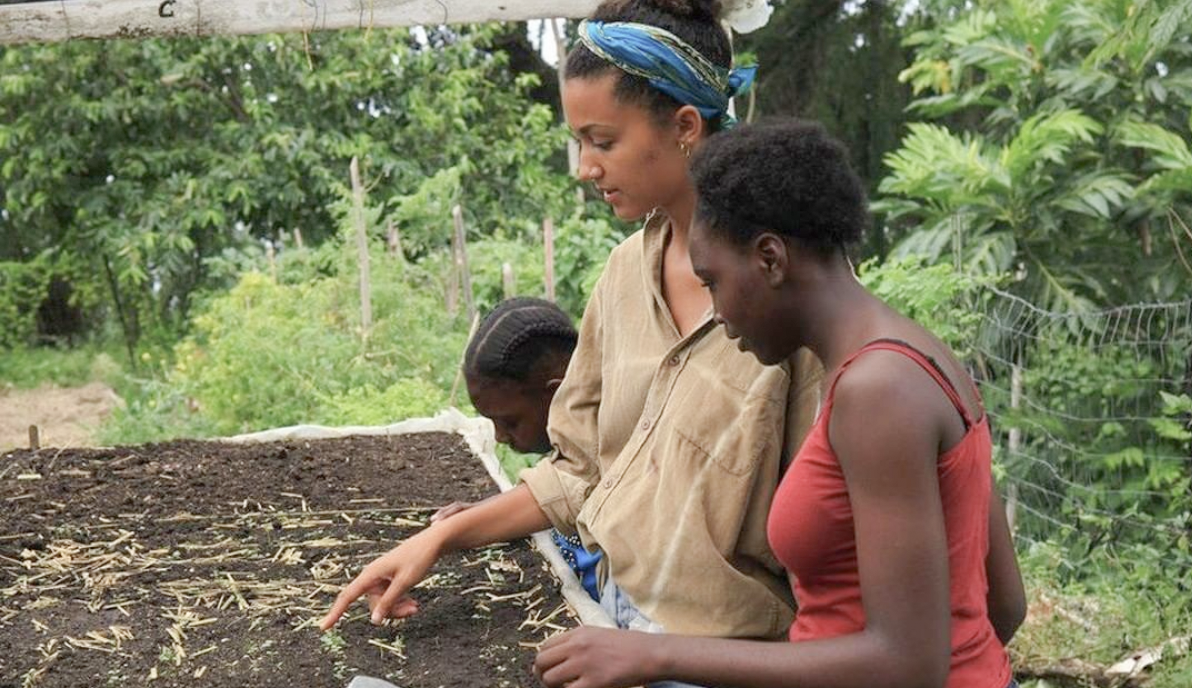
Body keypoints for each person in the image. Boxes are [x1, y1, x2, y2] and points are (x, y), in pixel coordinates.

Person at [320, 3, 822, 685]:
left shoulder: (784, 297)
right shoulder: (623, 279)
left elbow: (830, 543)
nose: (585, 167)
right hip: (611, 625)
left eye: (602, 141)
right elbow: (580, 469)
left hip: (730, 661)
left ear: (684, 127)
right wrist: (439, 538)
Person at [531, 119, 1027, 688]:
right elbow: (1003, 603)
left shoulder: (877, 394)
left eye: (713, 281)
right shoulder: (918, 355)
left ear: (770, 259)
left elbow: (908, 663)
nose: (716, 313)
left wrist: (655, 656)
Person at [431, 296, 602, 600]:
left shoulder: (614, 458)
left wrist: (445, 537)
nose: (498, 437)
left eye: (509, 421)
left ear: (557, 392)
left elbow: (569, 492)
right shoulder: (576, 447)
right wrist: (487, 515)